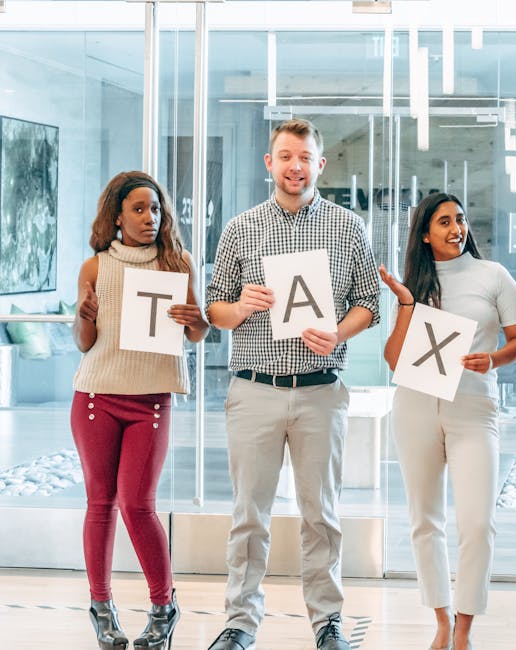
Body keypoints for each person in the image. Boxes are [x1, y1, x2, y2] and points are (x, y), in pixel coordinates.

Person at [204, 118, 380, 650]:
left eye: (304, 157)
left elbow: (369, 303)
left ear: (319, 165)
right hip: (254, 388)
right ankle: (239, 624)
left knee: (321, 515)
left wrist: (339, 331)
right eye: (285, 156)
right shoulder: (240, 228)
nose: (295, 166)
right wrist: (240, 307)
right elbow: (214, 306)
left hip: (321, 390)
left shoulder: (348, 228)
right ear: (269, 163)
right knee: (248, 517)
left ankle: (328, 623)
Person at [379, 192, 516, 650]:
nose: (455, 228)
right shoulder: (415, 284)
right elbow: (392, 360)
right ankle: (441, 620)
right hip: (416, 405)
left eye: (460, 219)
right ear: (425, 234)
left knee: (478, 523)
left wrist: (494, 359)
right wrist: (406, 305)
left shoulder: (494, 276)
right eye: (443, 222)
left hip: (474, 407)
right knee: (425, 520)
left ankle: (465, 627)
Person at [71, 170, 209, 650]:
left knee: (137, 503)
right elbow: (85, 344)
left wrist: (200, 321)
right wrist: (83, 318)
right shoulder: (95, 267)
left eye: (155, 209)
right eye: (138, 209)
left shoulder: (179, 262)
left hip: (150, 400)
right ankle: (101, 606)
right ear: (117, 216)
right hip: (96, 397)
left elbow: (196, 333)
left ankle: (162, 607)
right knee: (100, 503)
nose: (149, 218)